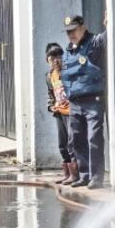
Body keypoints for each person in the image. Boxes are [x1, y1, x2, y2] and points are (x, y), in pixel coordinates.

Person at [61, 14, 107, 189]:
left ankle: (96, 177)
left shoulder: (94, 42)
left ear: (83, 27)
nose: (71, 34)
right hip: (75, 102)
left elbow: (108, 37)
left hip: (92, 99)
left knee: (93, 138)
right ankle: (84, 174)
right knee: (76, 139)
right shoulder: (69, 50)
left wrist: (109, 23)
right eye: (68, 32)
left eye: (74, 30)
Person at [45, 43, 78, 185]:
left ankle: (76, 174)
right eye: (52, 58)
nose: (56, 60)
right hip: (59, 112)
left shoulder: (67, 72)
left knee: (72, 143)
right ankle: (67, 172)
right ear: (47, 60)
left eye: (59, 57)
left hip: (70, 112)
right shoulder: (49, 76)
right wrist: (51, 106)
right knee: (62, 144)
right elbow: (50, 94)